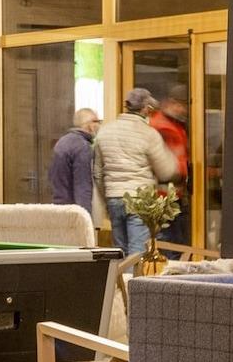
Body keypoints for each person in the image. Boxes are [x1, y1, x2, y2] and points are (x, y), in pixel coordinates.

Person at [92, 87, 178, 256]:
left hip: (113, 197)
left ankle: (120, 275)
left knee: (120, 252)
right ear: (145, 108)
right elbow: (166, 171)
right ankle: (132, 275)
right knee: (137, 252)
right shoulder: (148, 134)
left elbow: (98, 174)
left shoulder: (104, 131)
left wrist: (107, 197)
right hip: (139, 199)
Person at [150, 84, 193, 248]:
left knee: (176, 240)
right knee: (168, 241)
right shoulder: (162, 126)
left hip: (174, 193)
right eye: (182, 105)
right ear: (171, 103)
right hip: (164, 193)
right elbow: (168, 162)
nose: (184, 110)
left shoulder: (175, 124)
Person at [48, 106, 100, 209]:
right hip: (73, 207)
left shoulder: (62, 141)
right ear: (90, 125)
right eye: (97, 122)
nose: (99, 125)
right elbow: (82, 185)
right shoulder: (82, 146)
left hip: (59, 204)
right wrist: (85, 213)